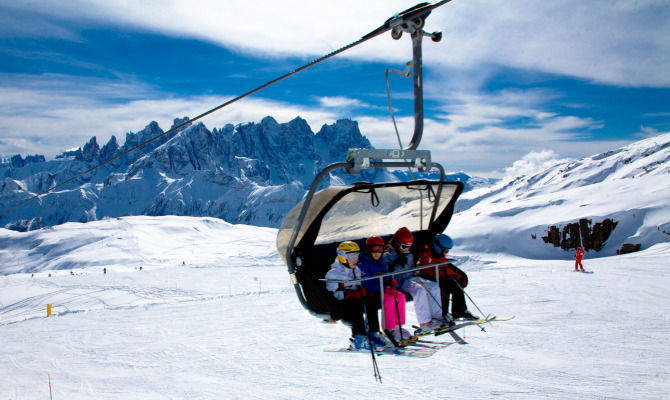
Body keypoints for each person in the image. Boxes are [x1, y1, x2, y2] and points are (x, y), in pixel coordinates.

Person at [383, 227, 450, 335]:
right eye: (404, 246)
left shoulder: (408, 254)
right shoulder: (388, 255)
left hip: (411, 277)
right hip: (399, 281)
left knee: (433, 286)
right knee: (419, 291)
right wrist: (396, 264)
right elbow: (387, 272)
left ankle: (437, 318)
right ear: (396, 243)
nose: (406, 249)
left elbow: (411, 267)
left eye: (409, 247)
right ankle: (425, 323)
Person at [325, 241, 384, 350]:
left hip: (354, 302)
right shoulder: (333, 273)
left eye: (357, 256)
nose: (355, 260)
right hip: (341, 307)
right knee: (354, 303)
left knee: (371, 301)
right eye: (352, 257)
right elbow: (331, 293)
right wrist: (349, 293)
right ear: (343, 257)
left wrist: (361, 290)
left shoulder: (356, 270)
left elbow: (359, 285)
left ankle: (373, 333)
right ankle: (359, 337)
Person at [357, 236, 411, 345]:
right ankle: (389, 328)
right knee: (389, 299)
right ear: (368, 250)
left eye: (380, 250)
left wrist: (389, 282)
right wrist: (382, 285)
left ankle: (397, 326)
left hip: (382, 289)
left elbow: (384, 275)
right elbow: (366, 283)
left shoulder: (380, 262)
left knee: (400, 296)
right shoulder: (363, 264)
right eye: (374, 250)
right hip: (372, 292)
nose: (377, 253)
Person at [418, 234, 478, 321]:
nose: (446, 253)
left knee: (455, 284)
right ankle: (443, 313)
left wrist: (453, 275)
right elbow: (427, 270)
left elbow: (444, 267)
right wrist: (444, 276)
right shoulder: (426, 255)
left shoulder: (438, 254)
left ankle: (459, 311)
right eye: (446, 251)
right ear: (438, 247)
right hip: (429, 279)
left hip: (439, 277)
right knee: (444, 287)